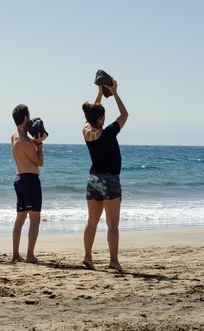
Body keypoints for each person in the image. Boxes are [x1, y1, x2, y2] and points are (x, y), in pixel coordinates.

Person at [81, 80, 129, 272]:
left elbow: (90, 117)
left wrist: (99, 93)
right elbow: (125, 115)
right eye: (103, 115)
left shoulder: (86, 132)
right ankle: (114, 260)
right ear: (100, 119)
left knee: (92, 222)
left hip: (93, 179)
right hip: (110, 180)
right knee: (113, 224)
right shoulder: (108, 133)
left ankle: (87, 256)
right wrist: (115, 93)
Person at [10, 104, 47, 263]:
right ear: (25, 118)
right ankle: (30, 255)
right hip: (30, 180)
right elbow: (39, 162)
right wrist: (39, 144)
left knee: (20, 219)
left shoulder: (14, 136)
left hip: (18, 179)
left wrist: (36, 139)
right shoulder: (26, 141)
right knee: (35, 219)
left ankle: (15, 254)